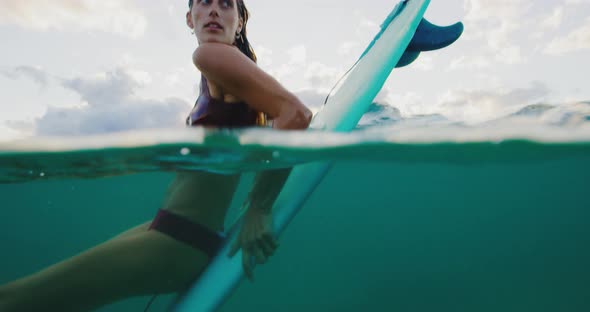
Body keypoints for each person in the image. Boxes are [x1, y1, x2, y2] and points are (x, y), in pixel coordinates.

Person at [0, 0, 312, 311]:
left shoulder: (210, 55)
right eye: (204, 2)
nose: (214, 10)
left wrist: (260, 205)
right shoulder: (231, 74)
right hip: (172, 231)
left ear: (240, 22)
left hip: (177, 243)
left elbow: (295, 114)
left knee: (16, 300)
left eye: (226, 4)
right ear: (190, 19)